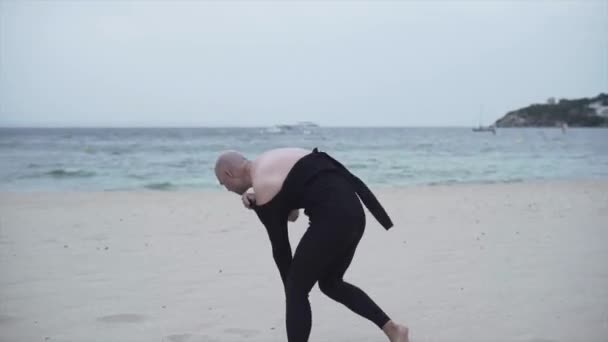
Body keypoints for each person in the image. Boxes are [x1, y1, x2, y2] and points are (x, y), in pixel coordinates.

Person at [214, 147, 409, 342]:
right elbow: (293, 213)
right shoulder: (269, 161)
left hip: (332, 219)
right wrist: (261, 203)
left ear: (228, 174)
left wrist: (292, 293)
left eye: (223, 184)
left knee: (296, 290)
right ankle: (394, 330)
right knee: (330, 283)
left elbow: (280, 248)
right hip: (354, 214)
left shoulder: (263, 183)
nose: (228, 189)